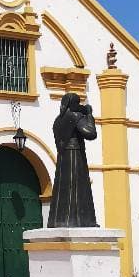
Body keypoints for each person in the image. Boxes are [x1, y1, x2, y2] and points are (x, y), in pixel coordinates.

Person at [48, 92, 98, 228]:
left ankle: (59, 220)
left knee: (63, 188)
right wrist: (89, 114)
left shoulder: (57, 120)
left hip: (63, 156)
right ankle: (81, 221)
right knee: (78, 186)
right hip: (75, 154)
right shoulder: (75, 116)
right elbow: (91, 133)